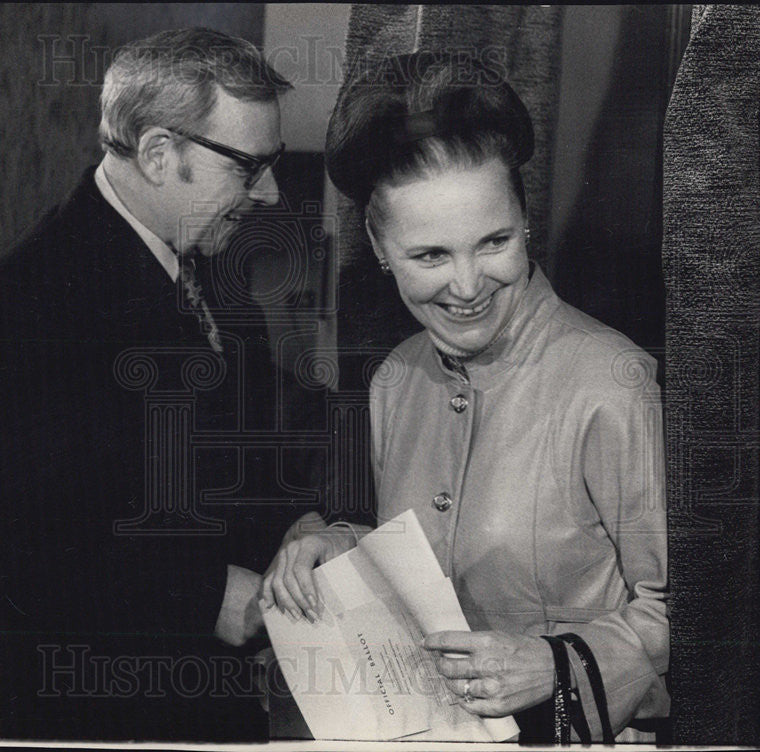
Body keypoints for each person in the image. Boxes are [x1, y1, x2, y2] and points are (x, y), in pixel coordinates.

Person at [262, 51, 669, 742]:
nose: (468, 284)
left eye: (494, 242)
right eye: (430, 256)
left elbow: (687, 606)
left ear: (525, 221)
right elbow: (430, 565)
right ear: (380, 246)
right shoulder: (395, 379)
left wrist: (555, 666)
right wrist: (338, 548)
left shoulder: (612, 381)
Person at [0, 27, 322, 741]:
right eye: (250, 167)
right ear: (156, 152)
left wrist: (301, 519)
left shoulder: (215, 267)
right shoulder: (19, 301)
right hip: (95, 712)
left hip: (220, 704)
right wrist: (201, 597)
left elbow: (258, 446)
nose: (269, 194)